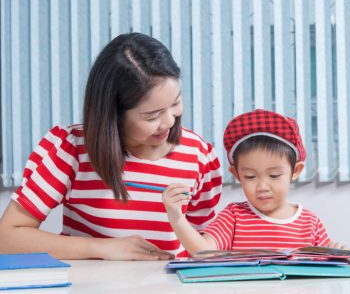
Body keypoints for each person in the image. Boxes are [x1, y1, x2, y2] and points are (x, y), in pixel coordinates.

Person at [0, 33, 222, 260]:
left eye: (175, 103)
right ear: (113, 114)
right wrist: (101, 248)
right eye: (151, 116)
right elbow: (6, 238)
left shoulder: (197, 155)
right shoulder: (72, 151)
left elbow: (206, 245)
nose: (168, 121)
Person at [163, 109, 344, 255]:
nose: (262, 187)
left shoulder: (310, 223)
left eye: (274, 176)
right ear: (236, 174)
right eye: (250, 177)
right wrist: (177, 218)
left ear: (295, 171)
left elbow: (325, 263)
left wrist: (337, 252)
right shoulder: (233, 216)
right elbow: (203, 251)